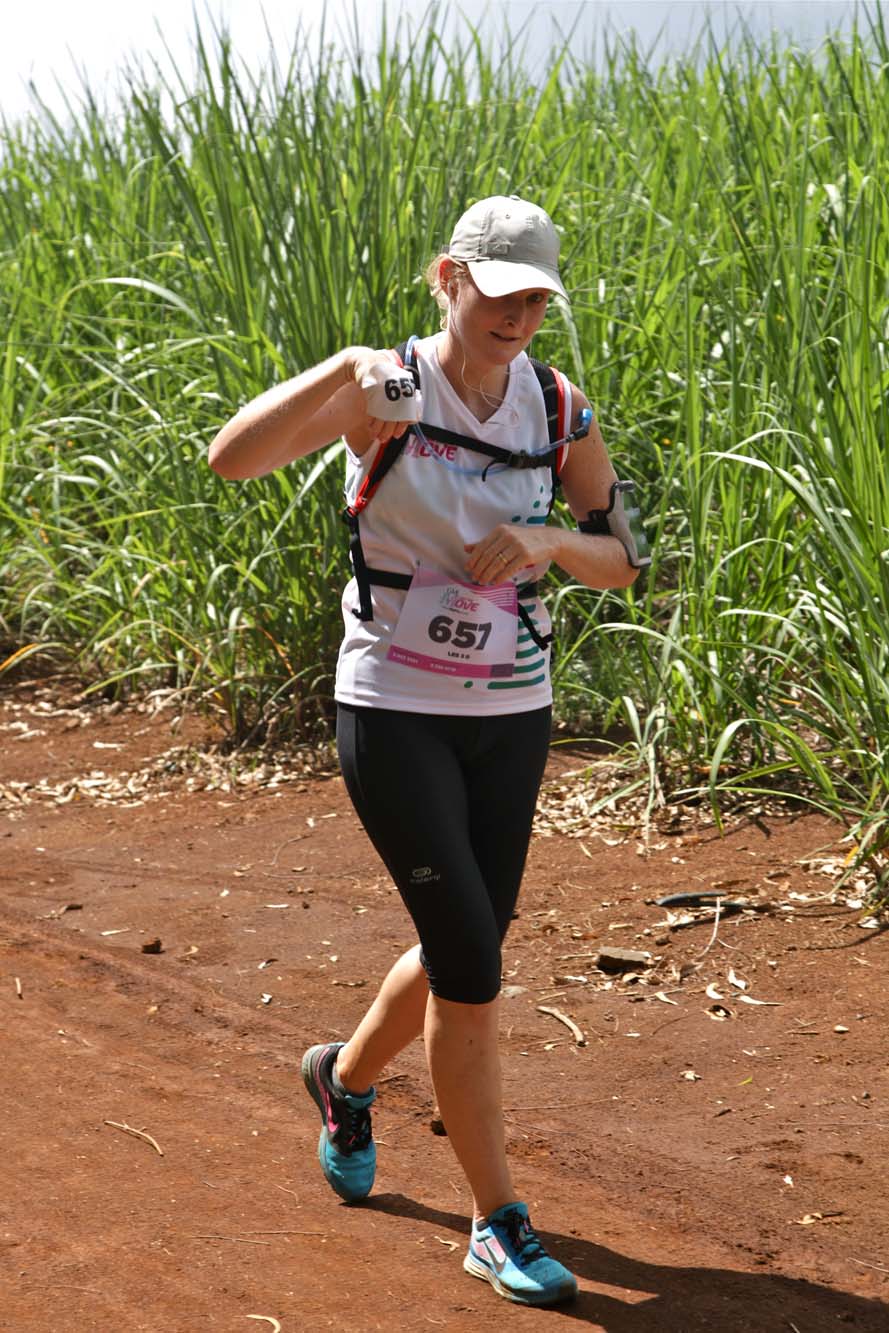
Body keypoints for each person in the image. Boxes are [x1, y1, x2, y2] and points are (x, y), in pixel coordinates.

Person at [208, 195, 639, 1307]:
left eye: (535, 299)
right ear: (449, 278)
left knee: (473, 937)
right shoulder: (391, 386)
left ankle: (343, 1079)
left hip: (512, 709)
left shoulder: (557, 406)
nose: (517, 317)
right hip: (394, 707)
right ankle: (497, 1222)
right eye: (497, 295)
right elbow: (231, 459)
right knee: (472, 966)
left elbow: (624, 558)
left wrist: (549, 539)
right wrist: (344, 374)